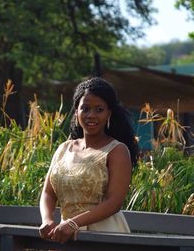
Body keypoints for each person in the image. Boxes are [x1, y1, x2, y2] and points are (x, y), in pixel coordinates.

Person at [39, 77, 138, 244]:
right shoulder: (64, 149)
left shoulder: (117, 151)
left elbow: (114, 203)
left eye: (99, 109)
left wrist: (73, 223)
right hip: (65, 235)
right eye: (85, 108)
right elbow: (48, 192)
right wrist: (47, 219)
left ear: (109, 113)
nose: (91, 115)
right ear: (76, 112)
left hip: (104, 237)